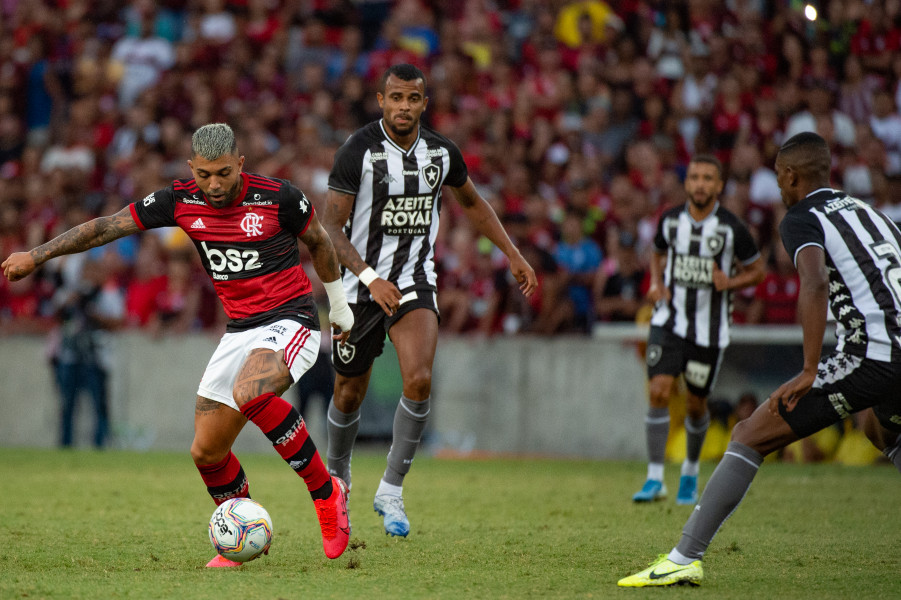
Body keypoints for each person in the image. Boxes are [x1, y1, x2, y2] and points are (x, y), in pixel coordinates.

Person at [2, 123, 354, 566]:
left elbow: (320, 243)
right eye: (204, 174)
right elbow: (106, 228)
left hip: (291, 319)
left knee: (251, 392)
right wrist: (37, 255)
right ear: (191, 168)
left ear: (240, 163)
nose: (214, 184)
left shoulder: (279, 197)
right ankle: (237, 533)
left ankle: (327, 493)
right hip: (239, 329)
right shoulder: (180, 199)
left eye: (224, 173)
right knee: (206, 451)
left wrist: (339, 311)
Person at [618, 131, 901, 587]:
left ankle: (684, 557)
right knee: (879, 425)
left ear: (790, 176)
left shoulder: (802, 216)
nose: (778, 185)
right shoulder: (872, 214)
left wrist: (810, 369)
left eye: (778, 176)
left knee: (751, 432)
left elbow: (813, 284)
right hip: (896, 350)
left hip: (874, 351)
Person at [321, 64, 537, 537]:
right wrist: (369, 276)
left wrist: (513, 254)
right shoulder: (358, 150)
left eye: (412, 99)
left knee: (418, 379)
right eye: (395, 98)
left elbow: (474, 204)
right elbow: (329, 227)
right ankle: (338, 482)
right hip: (360, 288)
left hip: (415, 281)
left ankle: (392, 490)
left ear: (424, 102)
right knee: (347, 392)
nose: (403, 107)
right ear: (381, 100)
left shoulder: (441, 153)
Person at [633, 154, 765, 505]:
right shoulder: (671, 219)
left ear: (719, 185)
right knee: (658, 390)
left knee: (695, 404)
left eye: (708, 178)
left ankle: (690, 472)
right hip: (668, 322)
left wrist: (731, 281)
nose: (701, 184)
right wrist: (657, 283)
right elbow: (657, 252)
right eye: (695, 178)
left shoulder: (732, 228)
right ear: (687, 183)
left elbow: (758, 271)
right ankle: (655, 478)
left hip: (708, 332)